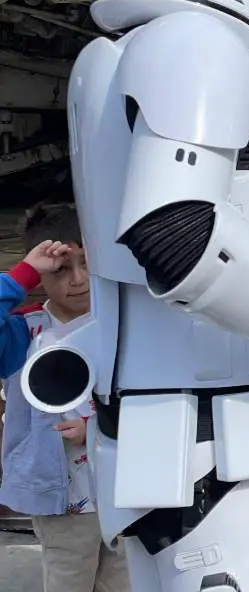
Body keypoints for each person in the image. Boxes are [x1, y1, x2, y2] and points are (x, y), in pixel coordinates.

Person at [0, 202, 129, 592]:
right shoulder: (26, 332)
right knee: (68, 578)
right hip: (64, 504)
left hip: (124, 491)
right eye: (60, 269)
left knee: (123, 582)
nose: (78, 279)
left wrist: (94, 426)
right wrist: (22, 273)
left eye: (88, 262)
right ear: (40, 278)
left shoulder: (128, 322)